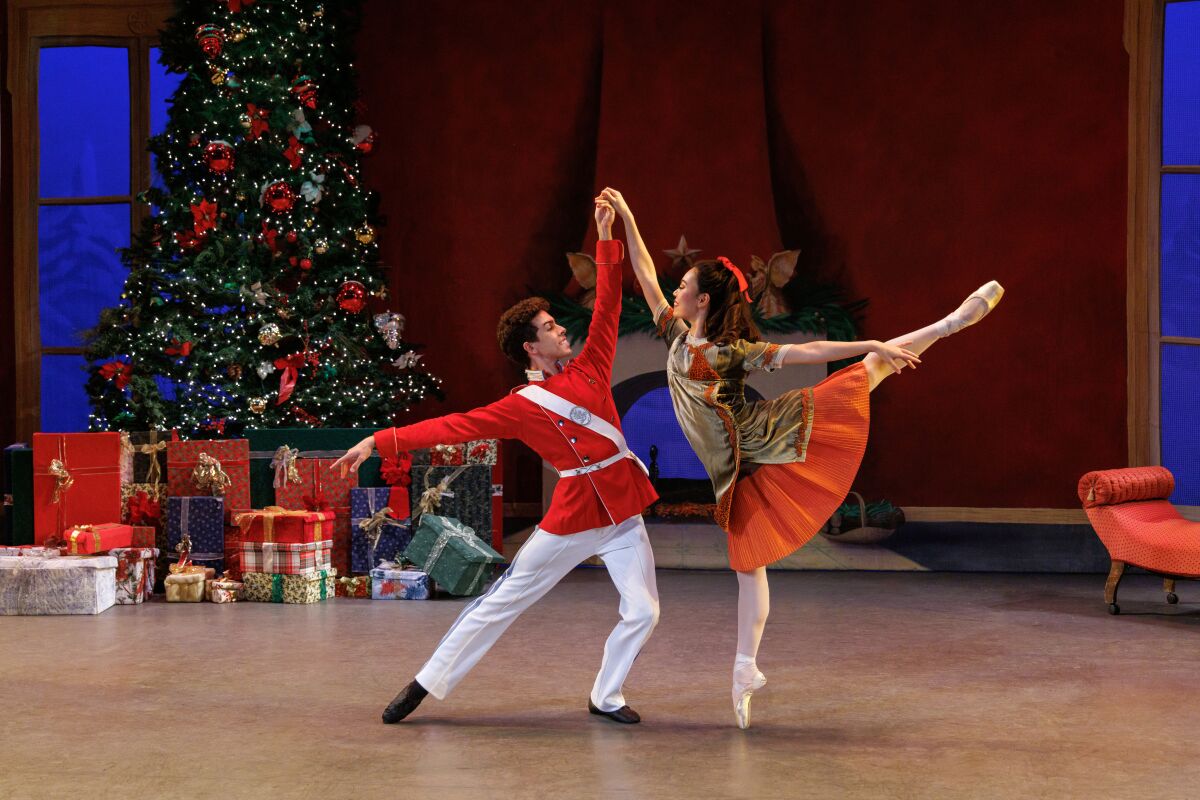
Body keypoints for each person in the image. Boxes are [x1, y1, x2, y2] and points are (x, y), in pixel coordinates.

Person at [598, 187, 1003, 729]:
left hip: (761, 438)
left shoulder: (728, 352)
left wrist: (868, 344)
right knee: (748, 565)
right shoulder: (676, 332)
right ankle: (745, 670)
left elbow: (804, 352)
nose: (676, 287)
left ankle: (946, 325)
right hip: (734, 471)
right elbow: (646, 274)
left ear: (704, 302)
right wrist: (626, 216)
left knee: (865, 375)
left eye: (686, 285)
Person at [332, 198, 660, 725]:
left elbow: (609, 303)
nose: (562, 330)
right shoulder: (519, 406)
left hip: (622, 511)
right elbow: (452, 426)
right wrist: (381, 440)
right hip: (572, 517)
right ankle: (424, 683)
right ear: (532, 347)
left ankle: (606, 695)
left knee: (644, 610)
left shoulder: (593, 363)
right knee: (501, 601)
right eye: (551, 327)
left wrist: (604, 233)